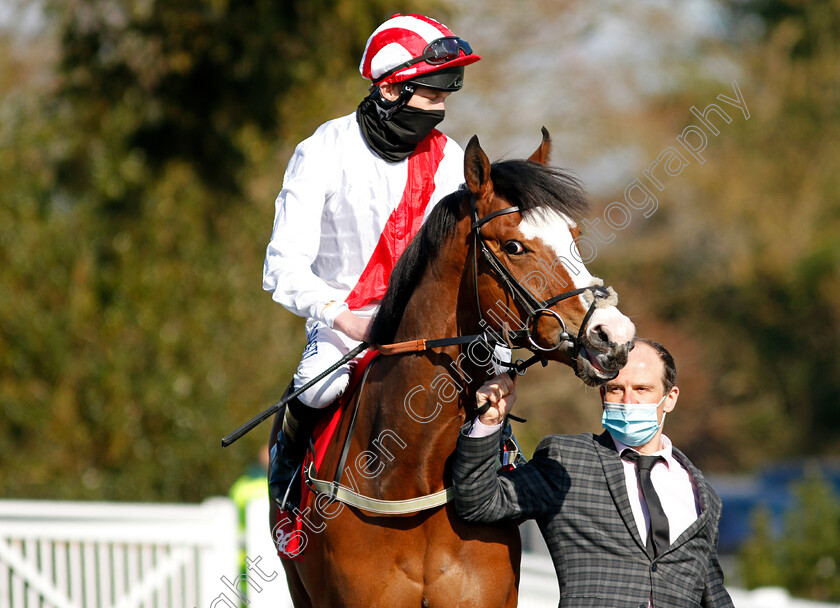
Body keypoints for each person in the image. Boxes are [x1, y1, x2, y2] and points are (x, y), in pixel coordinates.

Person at [263, 14, 481, 508]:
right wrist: (344, 318)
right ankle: (288, 473)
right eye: (431, 94)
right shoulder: (322, 150)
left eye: (446, 96)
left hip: (424, 319)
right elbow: (282, 265)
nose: (441, 109)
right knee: (322, 386)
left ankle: (497, 476)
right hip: (342, 316)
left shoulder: (449, 161)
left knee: (488, 380)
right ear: (389, 91)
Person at [453, 338, 734, 608]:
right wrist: (488, 423)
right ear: (602, 395)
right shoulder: (568, 460)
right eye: (615, 389)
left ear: (669, 398)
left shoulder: (702, 492)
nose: (628, 401)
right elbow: (479, 502)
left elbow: (714, 596)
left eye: (642, 389)